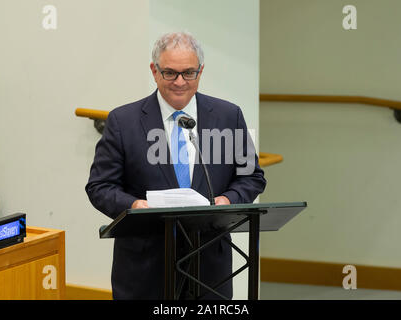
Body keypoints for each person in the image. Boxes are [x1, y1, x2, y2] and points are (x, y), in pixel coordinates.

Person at [86, 32, 266, 300]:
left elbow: (251, 177)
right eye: (170, 73)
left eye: (189, 73)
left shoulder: (229, 116)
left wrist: (228, 199)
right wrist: (134, 206)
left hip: (209, 265)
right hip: (145, 266)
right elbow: (100, 186)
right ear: (154, 71)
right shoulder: (123, 121)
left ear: (200, 71)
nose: (180, 82)